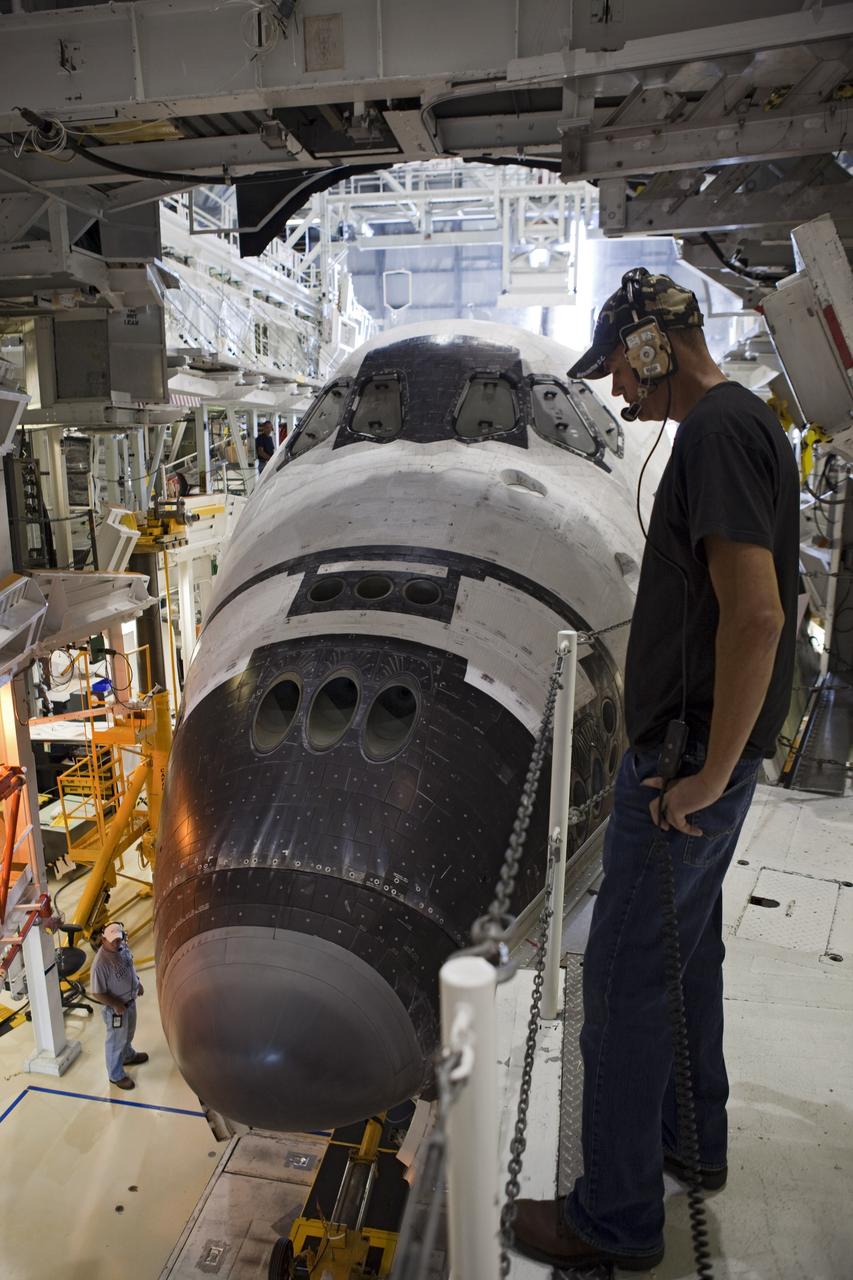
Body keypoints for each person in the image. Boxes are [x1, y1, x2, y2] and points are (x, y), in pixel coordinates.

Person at [511, 269, 799, 1271]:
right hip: (700, 754)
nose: (622, 400)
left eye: (622, 377)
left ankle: (613, 1218)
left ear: (648, 346)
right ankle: (692, 1138)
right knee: (691, 955)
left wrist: (705, 775)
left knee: (625, 983)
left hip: (686, 767)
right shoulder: (747, 422)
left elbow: (756, 616)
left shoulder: (715, 431)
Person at [90, 922, 148, 1091]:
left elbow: (130, 966)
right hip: (117, 1009)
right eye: (113, 941)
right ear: (103, 940)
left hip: (130, 1002)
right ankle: (115, 1075)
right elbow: (97, 993)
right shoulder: (100, 964)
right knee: (116, 1041)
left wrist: (138, 983)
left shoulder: (122, 948)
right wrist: (115, 1004)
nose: (117, 943)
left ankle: (128, 1055)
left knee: (129, 1033)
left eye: (119, 940)